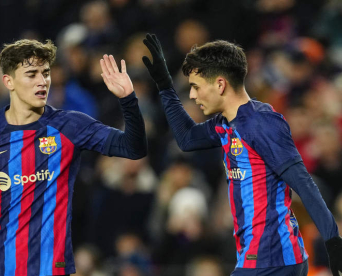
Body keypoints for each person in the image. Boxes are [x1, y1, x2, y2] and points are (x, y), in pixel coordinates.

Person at [0, 39, 147, 276]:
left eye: (46, 73)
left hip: (53, 269)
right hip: (1, 268)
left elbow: (133, 148)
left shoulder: (70, 126)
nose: (42, 81)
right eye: (31, 74)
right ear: (8, 81)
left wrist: (128, 100)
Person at [142, 33, 342, 276]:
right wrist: (164, 85)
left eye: (196, 87)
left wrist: (333, 242)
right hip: (262, 257)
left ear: (220, 84)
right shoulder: (225, 125)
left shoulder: (261, 123)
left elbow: (304, 184)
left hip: (273, 256)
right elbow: (186, 139)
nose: (192, 96)